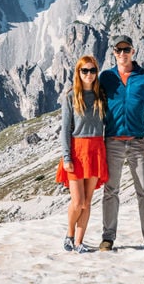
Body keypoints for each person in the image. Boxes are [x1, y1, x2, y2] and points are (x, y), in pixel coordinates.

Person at [98, 34, 144, 253]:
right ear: (113, 53)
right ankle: (108, 238)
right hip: (112, 142)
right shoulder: (106, 77)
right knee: (110, 191)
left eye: (126, 50)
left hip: (139, 142)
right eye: (118, 50)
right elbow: (93, 105)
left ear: (133, 51)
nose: (123, 54)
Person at [55, 55, 109, 253]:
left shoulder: (101, 95)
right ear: (78, 73)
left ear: (97, 72)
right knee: (77, 201)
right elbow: (65, 130)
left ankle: (79, 242)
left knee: (87, 202)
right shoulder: (71, 96)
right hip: (77, 151)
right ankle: (69, 236)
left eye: (92, 70)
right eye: (84, 70)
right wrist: (67, 157)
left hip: (96, 150)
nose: (89, 74)